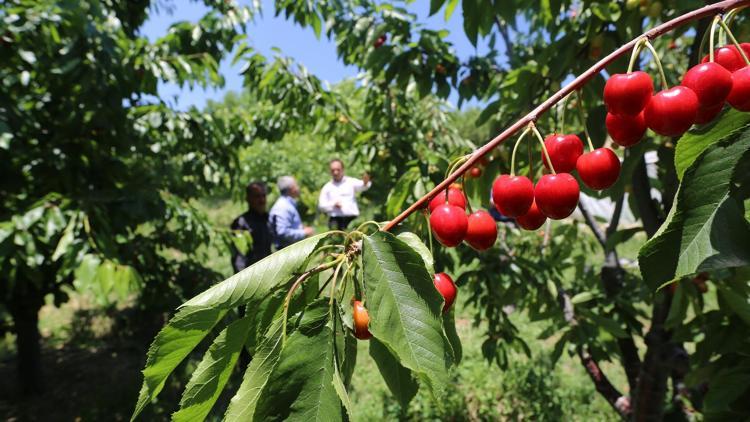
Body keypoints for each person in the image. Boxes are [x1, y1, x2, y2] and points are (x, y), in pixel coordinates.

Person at [230, 181, 273, 273]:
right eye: (257, 196)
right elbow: (239, 257)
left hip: (268, 273)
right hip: (251, 276)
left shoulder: (268, 218)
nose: (261, 200)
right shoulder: (241, 223)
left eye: (263, 196)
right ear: (248, 199)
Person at [318, 159, 371, 230]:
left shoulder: (350, 182)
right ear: (330, 171)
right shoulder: (327, 187)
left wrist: (365, 181)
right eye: (333, 170)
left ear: (343, 169)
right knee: (336, 241)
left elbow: (364, 186)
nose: (335, 172)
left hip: (352, 220)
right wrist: (333, 204)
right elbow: (321, 206)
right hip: (335, 221)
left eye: (338, 169)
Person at [269, 176, 315, 249]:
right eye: (296, 185)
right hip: (286, 252)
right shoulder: (283, 207)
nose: (298, 187)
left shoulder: (287, 204)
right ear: (291, 189)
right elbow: (282, 232)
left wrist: (301, 228)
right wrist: (304, 232)